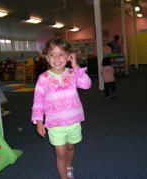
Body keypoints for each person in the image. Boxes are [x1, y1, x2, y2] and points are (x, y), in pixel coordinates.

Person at [31, 37, 91, 179]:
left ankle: (69, 166)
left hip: (74, 120)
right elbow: (38, 102)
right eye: (52, 54)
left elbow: (86, 84)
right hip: (54, 123)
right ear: (46, 57)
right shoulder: (43, 78)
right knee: (61, 153)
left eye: (61, 54)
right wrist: (39, 121)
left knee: (70, 147)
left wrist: (75, 66)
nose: (57, 58)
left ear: (69, 56)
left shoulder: (72, 74)